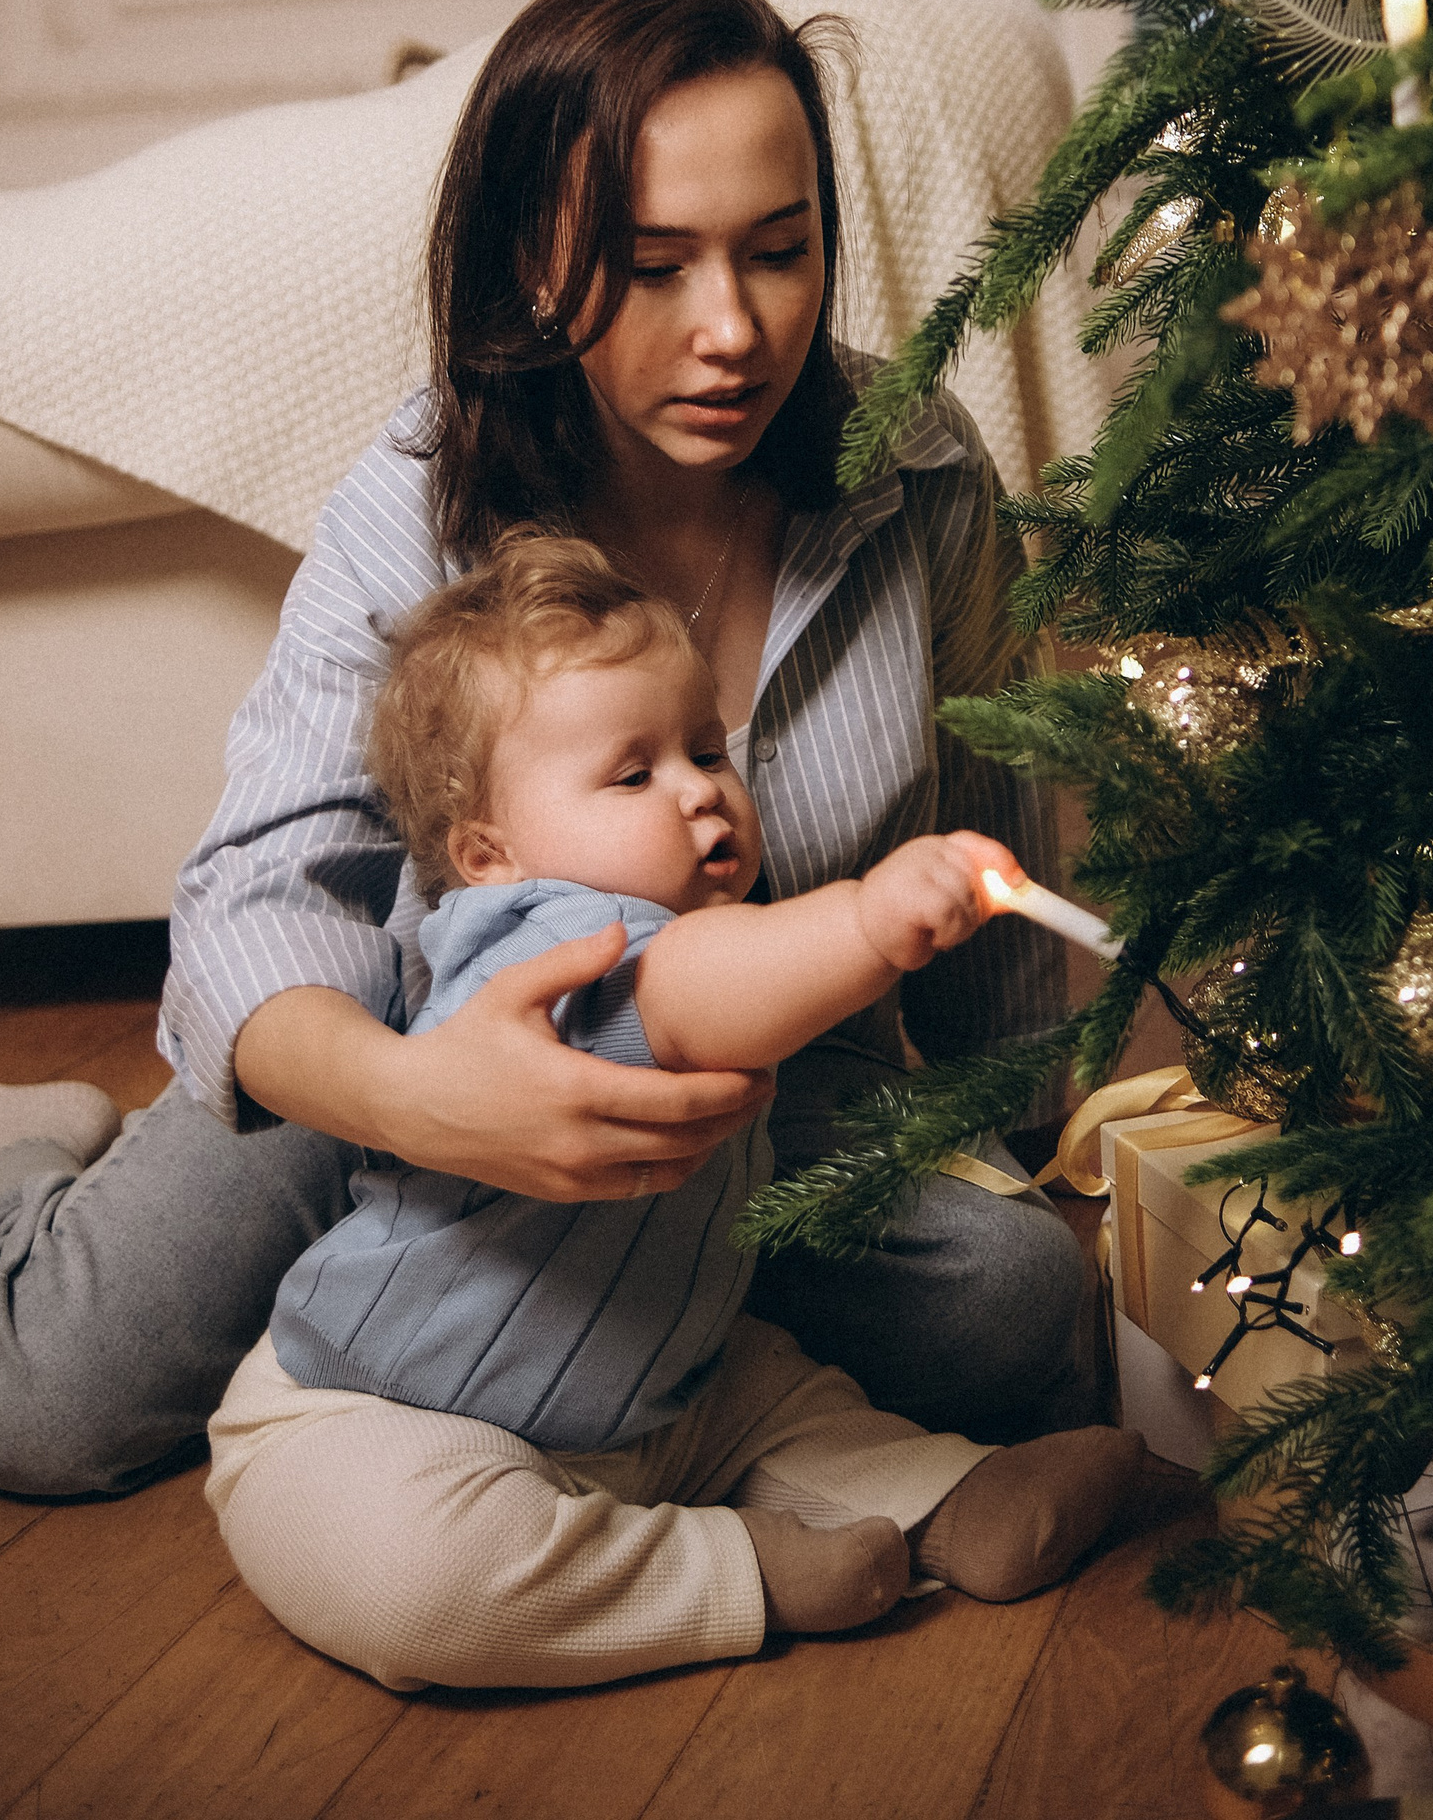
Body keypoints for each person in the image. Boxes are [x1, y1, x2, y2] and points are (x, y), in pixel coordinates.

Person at [0, 0, 1088, 1499]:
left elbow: (994, 819)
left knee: (1014, 1311)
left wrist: (1028, 1137)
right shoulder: (419, 498)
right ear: (532, 261)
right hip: (412, 1070)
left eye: (778, 252)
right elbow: (262, 886)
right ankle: (13, 1150)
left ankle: (655, 1325)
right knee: (32, 1405)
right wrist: (427, 1100)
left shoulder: (915, 469)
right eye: (652, 268)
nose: (732, 326)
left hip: (763, 1100)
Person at [208, 532, 1141, 1688]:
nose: (701, 788)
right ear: (489, 851)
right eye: (632, 774)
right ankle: (734, 1567)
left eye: (706, 750)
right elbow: (695, 991)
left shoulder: (690, 923)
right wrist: (865, 920)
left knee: (784, 1400)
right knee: (421, 1579)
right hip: (384, 1414)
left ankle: (957, 1498)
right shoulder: (543, 939)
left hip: (660, 1376)